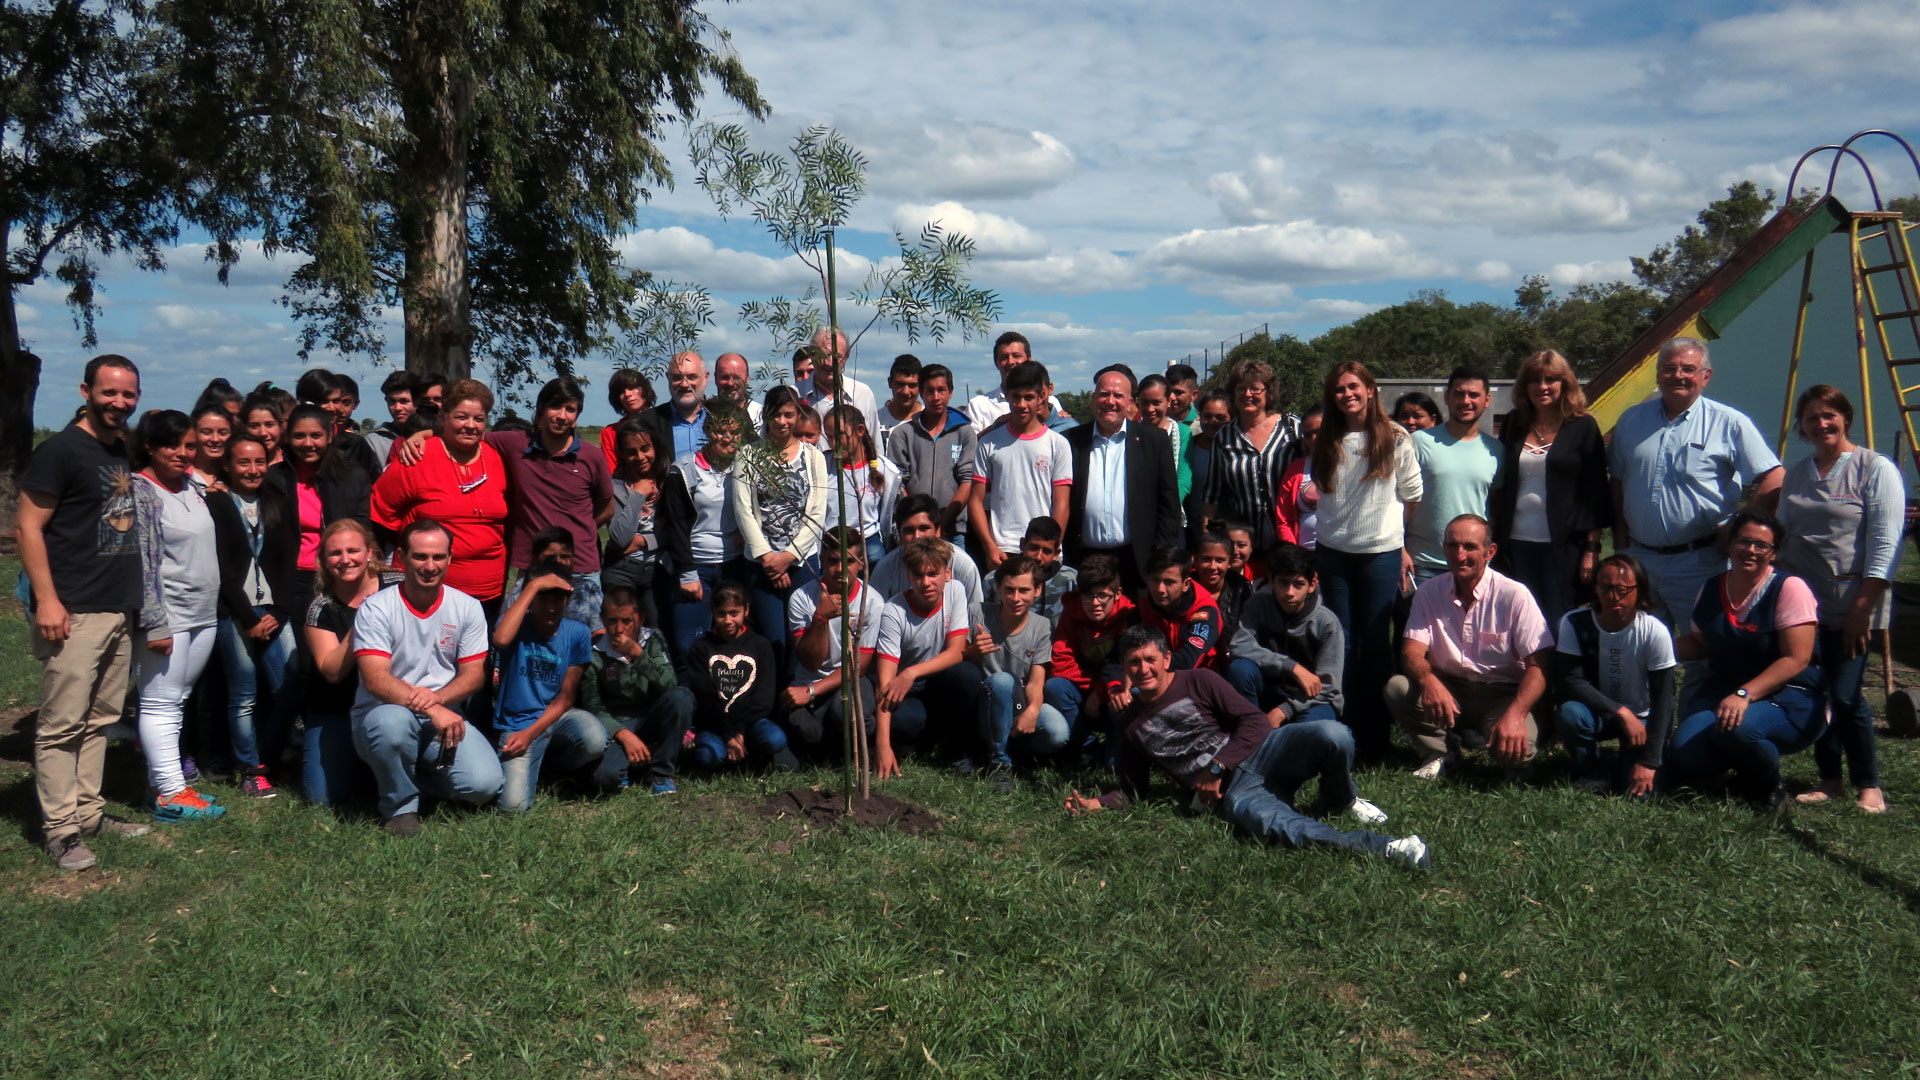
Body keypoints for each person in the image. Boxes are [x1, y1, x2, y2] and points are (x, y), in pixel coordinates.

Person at [1065, 627, 1426, 870]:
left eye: (1150, 659)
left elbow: (1254, 722)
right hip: (1236, 791)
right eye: (1134, 663)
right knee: (1275, 824)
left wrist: (1216, 767)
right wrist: (1097, 804)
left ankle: (1340, 797)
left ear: (1166, 659)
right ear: (1126, 668)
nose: (1143, 669)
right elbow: (1134, 788)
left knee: (1334, 734)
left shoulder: (1199, 680)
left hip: (1262, 750)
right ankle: (1386, 848)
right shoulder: (1130, 721)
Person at [20, 356, 152, 868]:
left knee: (100, 719)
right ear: (86, 390)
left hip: (118, 606)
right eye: (109, 393)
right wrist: (48, 600)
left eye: (128, 394)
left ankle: (88, 812)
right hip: (74, 609)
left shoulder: (120, 448)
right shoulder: (60, 451)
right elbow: (29, 527)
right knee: (62, 723)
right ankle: (59, 829)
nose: (119, 402)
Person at [1777, 385, 1903, 813]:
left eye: (1829, 415)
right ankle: (1830, 779)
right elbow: (1782, 534)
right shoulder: (1797, 473)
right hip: (1802, 608)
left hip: (1852, 604)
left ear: (1845, 417)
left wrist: (1861, 611)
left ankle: (1869, 784)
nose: (1822, 424)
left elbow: (1885, 546)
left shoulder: (1874, 468)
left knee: (1847, 695)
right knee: (1817, 693)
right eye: (1812, 418)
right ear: (1803, 427)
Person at [1610, 336, 1782, 632]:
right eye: (1669, 368)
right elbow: (1618, 482)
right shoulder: (1631, 420)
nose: (1678, 375)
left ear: (1706, 376)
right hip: (1640, 558)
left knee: (1703, 650)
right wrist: (1622, 543)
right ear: (1658, 374)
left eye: (1688, 369)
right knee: (1638, 648)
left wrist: (1736, 528)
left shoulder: (1728, 422)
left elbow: (1774, 477)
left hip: (1700, 561)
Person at [1664, 511, 1826, 810]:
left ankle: (1769, 786)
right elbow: (1700, 644)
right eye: (1743, 540)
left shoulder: (1789, 588)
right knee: (1686, 753)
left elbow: (1797, 659)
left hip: (1791, 697)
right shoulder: (1711, 587)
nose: (1750, 549)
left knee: (1737, 729)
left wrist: (1744, 694)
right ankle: (1743, 770)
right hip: (1727, 692)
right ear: (1729, 544)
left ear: (1773, 552)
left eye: (1761, 545)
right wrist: (1658, 649)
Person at [351, 520, 504, 836]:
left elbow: (474, 675)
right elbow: (376, 679)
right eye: (420, 557)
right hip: (384, 712)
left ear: (450, 558)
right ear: (403, 557)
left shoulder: (467, 607)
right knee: (392, 725)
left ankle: (400, 775)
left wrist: (438, 702)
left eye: (438, 557)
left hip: (443, 715)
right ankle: (400, 809)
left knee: (484, 785)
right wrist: (432, 708)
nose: (430, 566)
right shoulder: (376, 608)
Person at [1384, 515, 1553, 781]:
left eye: (1470, 547)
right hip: (1448, 690)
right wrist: (1428, 680)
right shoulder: (1429, 592)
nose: (1460, 555)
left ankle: (1511, 757)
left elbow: (1539, 665)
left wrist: (1516, 714)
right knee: (1398, 688)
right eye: (1453, 545)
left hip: (1500, 695)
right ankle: (1439, 753)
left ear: (1490, 552)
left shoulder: (1514, 595)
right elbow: (1411, 652)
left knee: (1519, 752)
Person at [1313, 361, 1422, 761]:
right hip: (1333, 554)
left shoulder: (1396, 437)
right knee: (1341, 642)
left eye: (1354, 386)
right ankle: (1345, 728)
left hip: (1380, 555)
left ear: (1371, 389)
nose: (1347, 394)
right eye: (1339, 389)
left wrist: (1395, 537)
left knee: (1375, 644)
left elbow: (1413, 494)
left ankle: (1377, 736)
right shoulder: (1327, 437)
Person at [125, 409, 226, 823]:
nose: (184, 453)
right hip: (169, 616)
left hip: (202, 613)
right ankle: (171, 793)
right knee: (160, 703)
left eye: (189, 445)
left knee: (177, 700)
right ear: (149, 446)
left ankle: (159, 783)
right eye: (173, 445)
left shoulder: (191, 485)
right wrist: (155, 622)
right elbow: (143, 563)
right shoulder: (141, 491)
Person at [1490, 349, 1611, 632]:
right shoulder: (1514, 423)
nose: (1542, 387)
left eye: (1551, 379)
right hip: (1516, 542)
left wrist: (1591, 549)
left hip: (1564, 545)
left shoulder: (1583, 426)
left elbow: (1595, 492)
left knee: (1559, 622)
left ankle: (1559, 677)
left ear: (1564, 383)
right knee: (1520, 622)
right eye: (1535, 380)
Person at [370, 379, 511, 615]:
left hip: (488, 593)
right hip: (427, 589)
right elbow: (380, 513)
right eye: (461, 416)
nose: (470, 425)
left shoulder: (497, 458)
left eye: (479, 419)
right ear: (444, 415)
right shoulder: (418, 456)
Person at [209, 433, 299, 798]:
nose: (252, 469)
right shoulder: (216, 503)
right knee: (243, 693)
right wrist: (248, 618)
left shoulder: (276, 500)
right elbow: (221, 568)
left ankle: (274, 757)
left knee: (289, 687)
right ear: (228, 465)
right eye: (243, 462)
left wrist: (278, 611)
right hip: (235, 611)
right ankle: (250, 768)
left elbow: (288, 560)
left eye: (259, 462)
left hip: (274, 609)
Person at [489, 559, 612, 812]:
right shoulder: (516, 625)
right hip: (517, 721)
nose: (552, 608)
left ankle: (551, 765)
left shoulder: (576, 632)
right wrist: (533, 586)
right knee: (513, 808)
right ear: (530, 597)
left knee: (595, 739)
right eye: (544, 598)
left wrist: (531, 734)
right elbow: (500, 639)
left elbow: (565, 699)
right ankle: (531, 760)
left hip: (554, 715)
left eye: (559, 599)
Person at [1553, 554, 1676, 797]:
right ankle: (1594, 770)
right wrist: (1620, 712)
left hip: (1643, 720)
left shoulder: (1655, 631)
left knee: (1638, 794)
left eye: (1622, 589)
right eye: (1605, 588)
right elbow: (1570, 679)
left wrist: (1650, 763)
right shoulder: (1574, 622)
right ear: (1595, 589)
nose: (1613, 597)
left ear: (1638, 590)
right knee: (1569, 714)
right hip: (1599, 714)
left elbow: (1664, 698)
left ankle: (1629, 763)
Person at [478, 376, 613, 586]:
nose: (562, 416)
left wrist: (579, 528)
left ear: (576, 417)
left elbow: (607, 507)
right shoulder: (517, 444)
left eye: (570, 409)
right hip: (533, 566)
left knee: (583, 621)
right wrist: (424, 434)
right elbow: (468, 435)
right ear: (541, 409)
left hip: (581, 568)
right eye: (555, 407)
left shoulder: (591, 456)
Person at [732, 388, 827, 680]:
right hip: (762, 565)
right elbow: (744, 510)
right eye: (776, 415)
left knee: (800, 638)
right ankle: (770, 707)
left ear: (798, 416)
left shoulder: (813, 457)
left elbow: (816, 512)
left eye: (789, 415)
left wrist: (788, 557)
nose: (782, 422)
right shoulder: (748, 454)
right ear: (766, 416)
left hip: (802, 564)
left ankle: (798, 701)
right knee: (774, 640)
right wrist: (769, 558)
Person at [873, 539, 984, 779]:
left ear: (947, 573)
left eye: (933, 574)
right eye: (919, 575)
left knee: (967, 675)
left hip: (933, 679)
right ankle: (919, 741)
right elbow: (885, 684)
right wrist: (882, 745)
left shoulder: (955, 591)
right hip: (906, 690)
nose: (926, 582)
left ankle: (955, 750)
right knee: (905, 722)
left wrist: (911, 672)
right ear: (909, 577)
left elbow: (956, 652)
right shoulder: (893, 611)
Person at [1065, 364, 1180, 590]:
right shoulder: (1070, 441)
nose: (1110, 401)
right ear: (1093, 398)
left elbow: (1169, 506)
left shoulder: (1154, 441)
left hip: (1137, 563)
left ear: (1130, 402)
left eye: (1118, 395)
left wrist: (1159, 558)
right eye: (1104, 394)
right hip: (1084, 560)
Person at [660, 402, 749, 668]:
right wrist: (687, 573)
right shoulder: (683, 470)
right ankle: (689, 704)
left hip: (735, 566)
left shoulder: (746, 468)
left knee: (731, 645)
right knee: (689, 647)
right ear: (708, 431)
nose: (727, 439)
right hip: (696, 568)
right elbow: (674, 525)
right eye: (721, 431)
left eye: (735, 432)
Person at [302, 519, 384, 807]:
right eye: (335, 553)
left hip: (388, 704)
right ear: (324, 560)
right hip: (336, 708)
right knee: (321, 799)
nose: (345, 560)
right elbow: (333, 672)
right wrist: (365, 618)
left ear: (370, 553)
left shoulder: (397, 585)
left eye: (354, 550)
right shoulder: (321, 607)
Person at [268, 403, 375, 622]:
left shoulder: (352, 477)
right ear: (287, 437)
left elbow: (362, 529)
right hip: (289, 580)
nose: (308, 443)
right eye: (299, 436)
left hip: (339, 576)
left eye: (316, 435)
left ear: (329, 436)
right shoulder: (273, 479)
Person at [582, 586, 694, 794]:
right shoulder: (595, 652)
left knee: (682, 697)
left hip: (652, 716)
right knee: (604, 778)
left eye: (627, 621)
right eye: (613, 621)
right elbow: (593, 706)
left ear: (640, 619)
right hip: (619, 722)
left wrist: (639, 655)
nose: (619, 629)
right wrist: (623, 734)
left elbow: (670, 684)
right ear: (603, 619)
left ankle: (660, 772)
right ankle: (628, 763)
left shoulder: (653, 640)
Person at [966, 555, 1070, 776]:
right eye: (1009, 590)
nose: (1015, 598)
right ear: (999, 588)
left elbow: (1036, 681)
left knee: (1057, 732)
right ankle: (999, 763)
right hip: (984, 702)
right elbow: (959, 668)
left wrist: (1032, 710)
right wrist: (973, 651)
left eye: (1024, 590)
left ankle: (1011, 751)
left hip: (1018, 702)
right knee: (1002, 680)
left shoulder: (1042, 627)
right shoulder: (977, 613)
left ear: (1037, 590)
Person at [783, 527, 882, 759]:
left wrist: (811, 692)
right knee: (802, 742)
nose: (840, 570)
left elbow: (860, 666)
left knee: (846, 713)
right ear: (821, 561)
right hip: (810, 678)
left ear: (861, 563)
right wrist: (821, 618)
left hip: (850, 680)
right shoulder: (802, 597)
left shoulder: (873, 601)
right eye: (833, 561)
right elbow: (810, 662)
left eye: (849, 561)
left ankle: (852, 750)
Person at [970, 360, 1073, 571]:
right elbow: (975, 501)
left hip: (1043, 550)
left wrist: (1053, 548)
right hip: (1003, 550)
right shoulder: (988, 443)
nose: (1022, 404)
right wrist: (989, 547)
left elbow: (1062, 503)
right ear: (1007, 395)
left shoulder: (1058, 444)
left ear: (1041, 397)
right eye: (1016, 397)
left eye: (1029, 397)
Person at [1226, 542, 1344, 725]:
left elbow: (1329, 686)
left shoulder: (1326, 623)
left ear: (1312, 584)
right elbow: (1239, 645)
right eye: (1283, 583)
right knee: (1240, 669)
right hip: (1268, 689)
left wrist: (1284, 711)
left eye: (1298, 584)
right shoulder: (1258, 604)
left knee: (1328, 735)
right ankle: (1250, 730)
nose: (1289, 592)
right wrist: (1290, 666)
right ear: (1271, 581)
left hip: (1310, 701)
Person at [688, 580, 798, 771]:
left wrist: (739, 731)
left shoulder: (760, 645)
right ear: (713, 612)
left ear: (746, 610)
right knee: (707, 755)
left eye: (734, 613)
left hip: (751, 723)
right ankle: (727, 754)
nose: (728, 620)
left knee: (775, 739)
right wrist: (728, 733)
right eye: (721, 614)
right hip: (715, 724)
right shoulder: (701, 648)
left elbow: (764, 699)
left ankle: (751, 753)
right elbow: (704, 697)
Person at [1406, 368, 1501, 587]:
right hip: (1423, 563)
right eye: (1459, 394)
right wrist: (1400, 550)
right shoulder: (1419, 442)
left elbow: (1496, 508)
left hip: (1474, 564)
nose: (1466, 401)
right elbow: (1397, 501)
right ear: (1447, 397)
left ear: (1487, 400)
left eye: (1474, 395)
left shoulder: (1496, 451)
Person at [1044, 553, 1137, 764]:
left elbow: (1130, 667)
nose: (1095, 603)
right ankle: (1088, 746)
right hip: (1083, 693)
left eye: (1103, 595)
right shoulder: (1071, 613)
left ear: (1117, 594)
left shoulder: (1130, 616)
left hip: (1115, 693)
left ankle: (1117, 748)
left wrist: (1102, 691)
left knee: (1115, 766)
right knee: (1055, 687)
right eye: (1088, 596)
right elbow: (1061, 663)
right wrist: (1095, 688)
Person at [1202, 355, 1302, 549]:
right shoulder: (1224, 437)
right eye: (1241, 388)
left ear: (1268, 392)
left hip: (1292, 541)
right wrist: (1205, 541)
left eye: (1255, 388)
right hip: (1242, 545)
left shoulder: (1292, 429)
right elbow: (1211, 496)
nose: (1247, 394)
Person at [886, 362, 976, 540]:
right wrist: (920, 519)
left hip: (954, 528)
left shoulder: (965, 432)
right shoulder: (903, 434)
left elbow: (967, 480)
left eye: (941, 390)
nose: (936, 397)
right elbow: (898, 482)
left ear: (950, 392)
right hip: (914, 529)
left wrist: (942, 522)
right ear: (922, 392)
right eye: (929, 391)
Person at [602, 415, 668, 627]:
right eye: (631, 452)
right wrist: (637, 494)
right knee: (622, 629)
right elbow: (620, 538)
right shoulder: (615, 487)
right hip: (622, 568)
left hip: (657, 568)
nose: (640, 457)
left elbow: (675, 533)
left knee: (656, 632)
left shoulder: (670, 481)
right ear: (621, 454)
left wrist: (642, 541)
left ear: (655, 447)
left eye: (645, 448)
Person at [867, 494, 986, 608]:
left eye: (924, 528)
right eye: (909, 531)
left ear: (938, 530)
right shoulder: (885, 568)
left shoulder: (963, 565)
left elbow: (974, 615)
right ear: (900, 535)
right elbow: (873, 614)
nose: (917, 537)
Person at [821, 403, 902, 566]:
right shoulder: (821, 466)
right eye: (829, 437)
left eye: (840, 435)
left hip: (868, 544)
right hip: (830, 543)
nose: (833, 443)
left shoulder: (886, 470)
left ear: (860, 430)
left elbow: (891, 516)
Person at [500, 527, 605, 635]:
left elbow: (599, 631)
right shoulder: (522, 593)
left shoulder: (586, 589)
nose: (558, 562)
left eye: (565, 557)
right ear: (535, 559)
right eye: (549, 558)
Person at [1139, 546, 1225, 672]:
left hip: (1200, 679)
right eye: (1155, 580)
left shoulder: (1205, 610)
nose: (1160, 589)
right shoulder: (1142, 607)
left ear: (1185, 584)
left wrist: (1146, 669)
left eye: (1169, 582)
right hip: (1153, 677)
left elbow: (1188, 660)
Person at [966, 331, 1069, 430]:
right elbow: (970, 444)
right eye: (1004, 357)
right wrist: (996, 428)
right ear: (996, 363)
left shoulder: (1048, 400)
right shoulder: (978, 405)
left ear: (1029, 360)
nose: (1010, 362)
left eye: (1016, 356)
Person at [801, 327, 880, 438]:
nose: (829, 363)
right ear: (812, 355)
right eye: (824, 355)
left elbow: (874, 446)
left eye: (837, 356)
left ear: (846, 357)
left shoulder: (862, 394)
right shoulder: (795, 395)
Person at [1191, 532, 1251, 672]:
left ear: (1230, 562)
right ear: (1195, 560)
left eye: (1220, 560)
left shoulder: (1241, 588)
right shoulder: (1185, 588)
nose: (1212, 566)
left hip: (1231, 662)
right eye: (1206, 559)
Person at [1136, 373, 1192, 520]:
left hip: (1169, 514)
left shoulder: (1181, 433)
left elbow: (1183, 478)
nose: (1150, 409)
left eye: (1156, 402)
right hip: (1137, 514)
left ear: (1168, 401)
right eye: (1145, 402)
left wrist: (1165, 508)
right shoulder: (1131, 433)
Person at [1185, 390, 1232, 546]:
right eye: (1207, 416)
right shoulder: (1189, 447)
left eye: (1220, 417)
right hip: (1193, 531)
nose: (1213, 422)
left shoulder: (1236, 451)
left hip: (1230, 532)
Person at [1275, 405, 1323, 548]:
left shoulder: (1349, 465)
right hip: (1304, 555)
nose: (1314, 438)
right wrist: (1295, 555)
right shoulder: (1295, 470)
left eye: (1319, 432)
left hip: (1341, 553)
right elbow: (1283, 519)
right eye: (1308, 435)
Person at [598, 367, 658, 473]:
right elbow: (613, 475)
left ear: (644, 388)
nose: (627, 394)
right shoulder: (610, 433)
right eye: (621, 392)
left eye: (632, 387)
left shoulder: (664, 422)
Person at [656, 350, 712, 461]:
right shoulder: (650, 423)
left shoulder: (727, 416)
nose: (684, 384)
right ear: (668, 378)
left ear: (706, 377)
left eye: (692, 377)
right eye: (677, 377)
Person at [1020, 516, 1075, 625]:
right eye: (1033, 548)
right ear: (1023, 544)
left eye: (1046, 551)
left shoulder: (1070, 579)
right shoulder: (997, 579)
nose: (1038, 557)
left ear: (1056, 554)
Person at [365, 370, 419, 466]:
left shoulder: (433, 436)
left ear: (417, 402)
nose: (397, 408)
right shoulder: (374, 442)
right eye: (392, 401)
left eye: (404, 401)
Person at [187, 402, 233, 494]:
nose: (215, 439)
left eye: (222, 432)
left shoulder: (238, 475)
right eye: (207, 432)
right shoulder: (182, 476)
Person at [877, 354, 923, 442]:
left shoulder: (930, 422)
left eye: (912, 385)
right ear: (890, 382)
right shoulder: (876, 421)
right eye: (900, 384)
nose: (906, 392)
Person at [713, 352, 764, 430]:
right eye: (725, 377)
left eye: (737, 377)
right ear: (715, 379)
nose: (730, 383)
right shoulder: (705, 415)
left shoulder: (762, 416)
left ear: (747, 379)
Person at [242, 392, 286, 465]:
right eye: (254, 426)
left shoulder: (293, 463)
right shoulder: (235, 468)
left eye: (269, 425)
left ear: (280, 426)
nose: (263, 433)